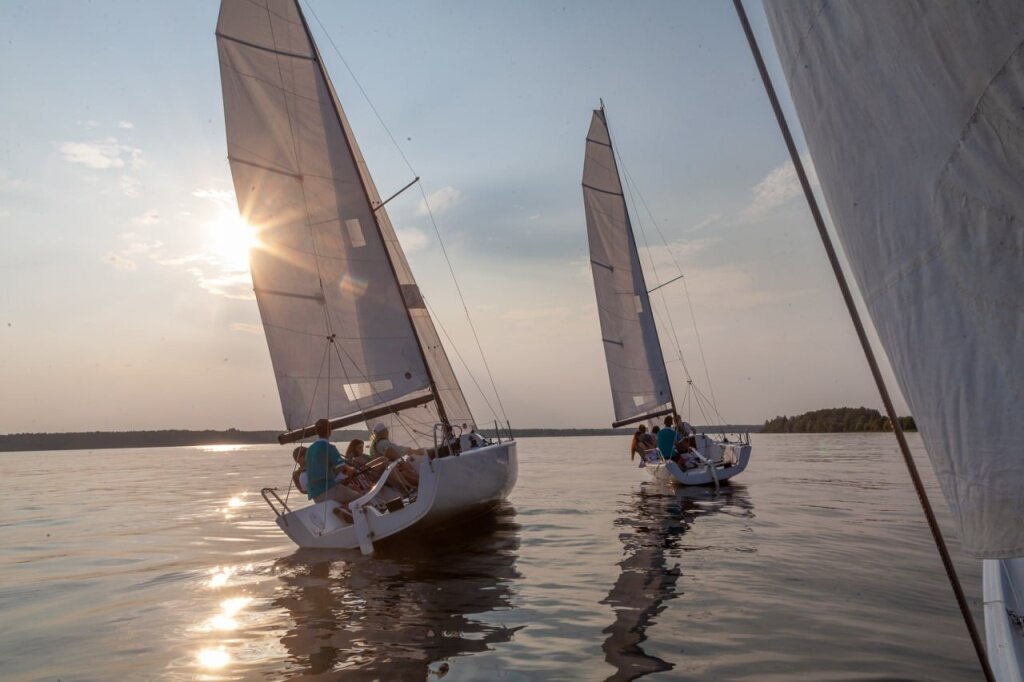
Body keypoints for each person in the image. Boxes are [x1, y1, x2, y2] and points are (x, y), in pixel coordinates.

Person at [305, 418, 360, 522]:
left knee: (346, 492)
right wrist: (352, 469)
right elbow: (343, 468)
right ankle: (345, 510)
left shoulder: (310, 449)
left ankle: (341, 510)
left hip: (315, 494)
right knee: (359, 497)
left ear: (317, 431)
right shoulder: (329, 447)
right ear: (329, 431)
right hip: (328, 490)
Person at [368, 422, 422, 492]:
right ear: (383, 432)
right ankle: (422, 481)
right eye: (386, 430)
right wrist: (412, 453)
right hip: (392, 468)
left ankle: (422, 481)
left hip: (389, 468)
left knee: (405, 470)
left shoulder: (375, 445)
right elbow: (397, 453)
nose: (388, 432)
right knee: (405, 471)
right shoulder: (382, 443)